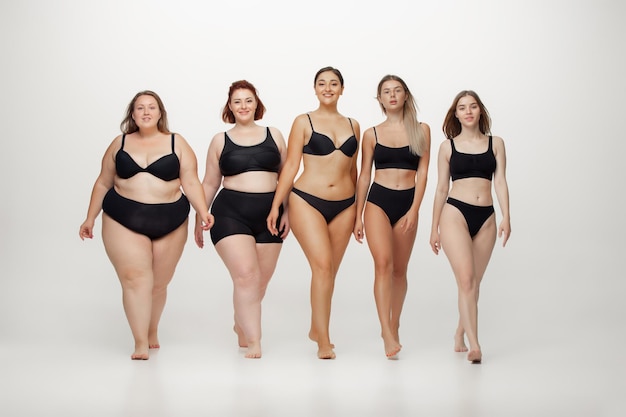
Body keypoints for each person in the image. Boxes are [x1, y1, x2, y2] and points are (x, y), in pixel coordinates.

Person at [79, 90, 211, 360]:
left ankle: (151, 329)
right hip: (122, 216)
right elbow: (103, 181)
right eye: (140, 108)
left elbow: (191, 181)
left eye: (152, 107)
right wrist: (90, 217)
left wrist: (203, 211)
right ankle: (140, 342)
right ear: (133, 114)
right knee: (135, 278)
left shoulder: (178, 143)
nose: (146, 112)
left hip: (171, 218)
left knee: (158, 283)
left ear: (160, 113)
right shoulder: (120, 143)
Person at [266, 66, 360, 359]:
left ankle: (315, 326)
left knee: (330, 272)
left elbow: (354, 169)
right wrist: (276, 205)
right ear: (315, 89)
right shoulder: (303, 121)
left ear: (343, 89)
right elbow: (291, 166)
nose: (328, 88)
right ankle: (324, 341)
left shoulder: (354, 125)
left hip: (346, 204)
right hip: (307, 200)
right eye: (322, 83)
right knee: (322, 267)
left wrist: (357, 211)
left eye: (334, 84)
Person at [194, 80, 289, 359]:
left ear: (256, 104)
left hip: (270, 214)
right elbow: (210, 183)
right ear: (230, 107)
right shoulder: (219, 141)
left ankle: (241, 322)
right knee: (247, 276)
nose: (243, 106)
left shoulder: (275, 134)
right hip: (230, 212)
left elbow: (286, 177)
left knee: (260, 281)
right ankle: (255, 340)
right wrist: (200, 216)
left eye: (248, 100)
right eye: (237, 101)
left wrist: (288, 213)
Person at [429, 90, 511, 364]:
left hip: (486, 217)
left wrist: (506, 216)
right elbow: (441, 189)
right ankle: (475, 345)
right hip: (455, 214)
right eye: (462, 107)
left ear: (480, 111)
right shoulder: (447, 147)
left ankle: (459, 333)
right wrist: (433, 228)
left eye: (473, 106)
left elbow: (500, 181)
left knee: (474, 284)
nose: (468, 111)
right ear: (456, 114)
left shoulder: (496, 143)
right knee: (466, 280)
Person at [353, 75, 431, 358]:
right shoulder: (371, 134)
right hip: (378, 201)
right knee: (383, 264)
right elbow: (364, 176)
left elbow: (423, 172)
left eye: (397, 90)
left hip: (408, 202)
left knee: (400, 270)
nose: (393, 95)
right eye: (387, 92)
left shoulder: (422, 130)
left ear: (406, 95)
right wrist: (358, 216)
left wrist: (415, 209)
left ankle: (394, 324)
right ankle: (385, 331)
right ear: (380, 100)